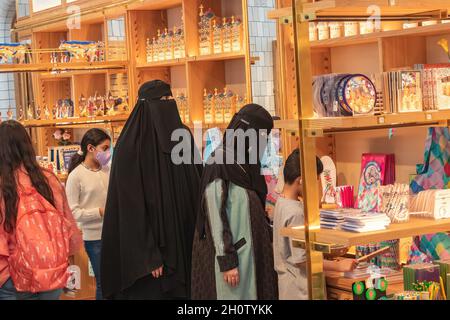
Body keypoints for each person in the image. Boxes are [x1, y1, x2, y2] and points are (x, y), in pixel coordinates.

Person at [101, 80, 202, 300]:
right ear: (146, 105)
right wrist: (148, 255)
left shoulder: (182, 136)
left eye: (170, 99)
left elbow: (196, 180)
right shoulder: (130, 146)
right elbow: (129, 207)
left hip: (185, 240)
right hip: (151, 260)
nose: (168, 105)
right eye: (161, 101)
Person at [191, 104, 278, 300]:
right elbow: (215, 214)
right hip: (232, 262)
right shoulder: (220, 163)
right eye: (261, 136)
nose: (263, 142)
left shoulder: (245, 163)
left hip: (249, 257)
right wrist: (227, 261)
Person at [0, 120, 82, 300]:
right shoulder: (48, 179)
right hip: (51, 269)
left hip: (13, 275)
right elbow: (67, 226)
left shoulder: (3, 184)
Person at [273, 149, 357, 300]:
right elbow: (302, 260)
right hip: (302, 292)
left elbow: (292, 251)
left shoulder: (281, 203)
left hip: (287, 289)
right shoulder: (296, 213)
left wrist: (329, 251)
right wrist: (338, 266)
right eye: (315, 180)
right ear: (301, 180)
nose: (316, 185)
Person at [66, 128, 112, 300]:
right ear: (91, 148)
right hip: (94, 238)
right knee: (103, 282)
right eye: (105, 148)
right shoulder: (76, 176)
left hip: (114, 233)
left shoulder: (108, 169)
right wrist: (99, 212)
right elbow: (73, 212)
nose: (108, 152)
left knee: (115, 280)